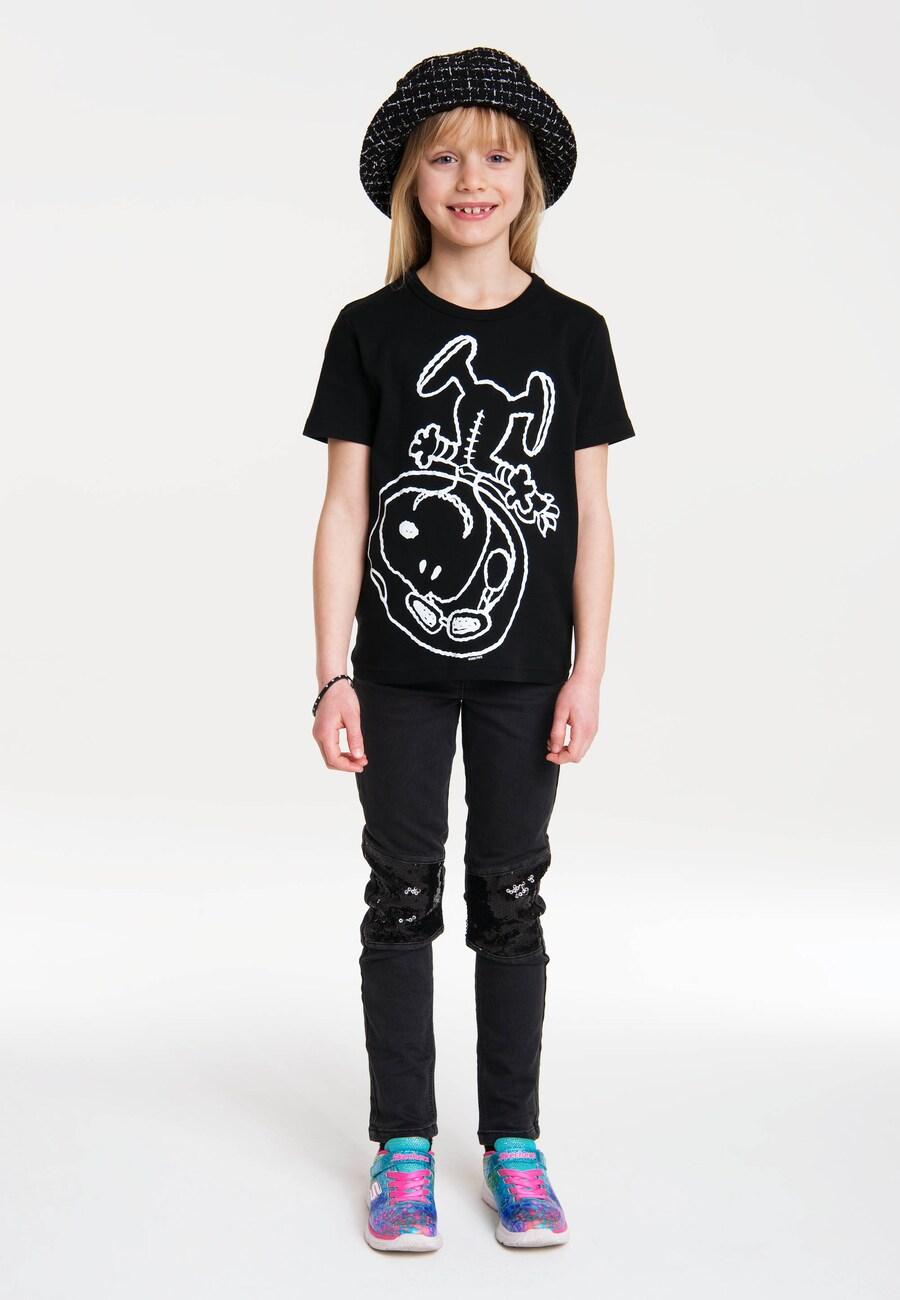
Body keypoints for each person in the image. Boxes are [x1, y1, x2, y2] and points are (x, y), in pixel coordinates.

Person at [301, 47, 636, 1252]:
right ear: (410, 182)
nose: (471, 179)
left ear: (530, 178)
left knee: (511, 895)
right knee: (401, 895)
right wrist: (332, 672)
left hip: (525, 677)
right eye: (444, 157)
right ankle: (403, 1142)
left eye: (496, 156)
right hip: (393, 671)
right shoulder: (370, 330)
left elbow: (592, 517)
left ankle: (513, 1143)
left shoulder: (575, 334)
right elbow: (346, 507)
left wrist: (587, 670)